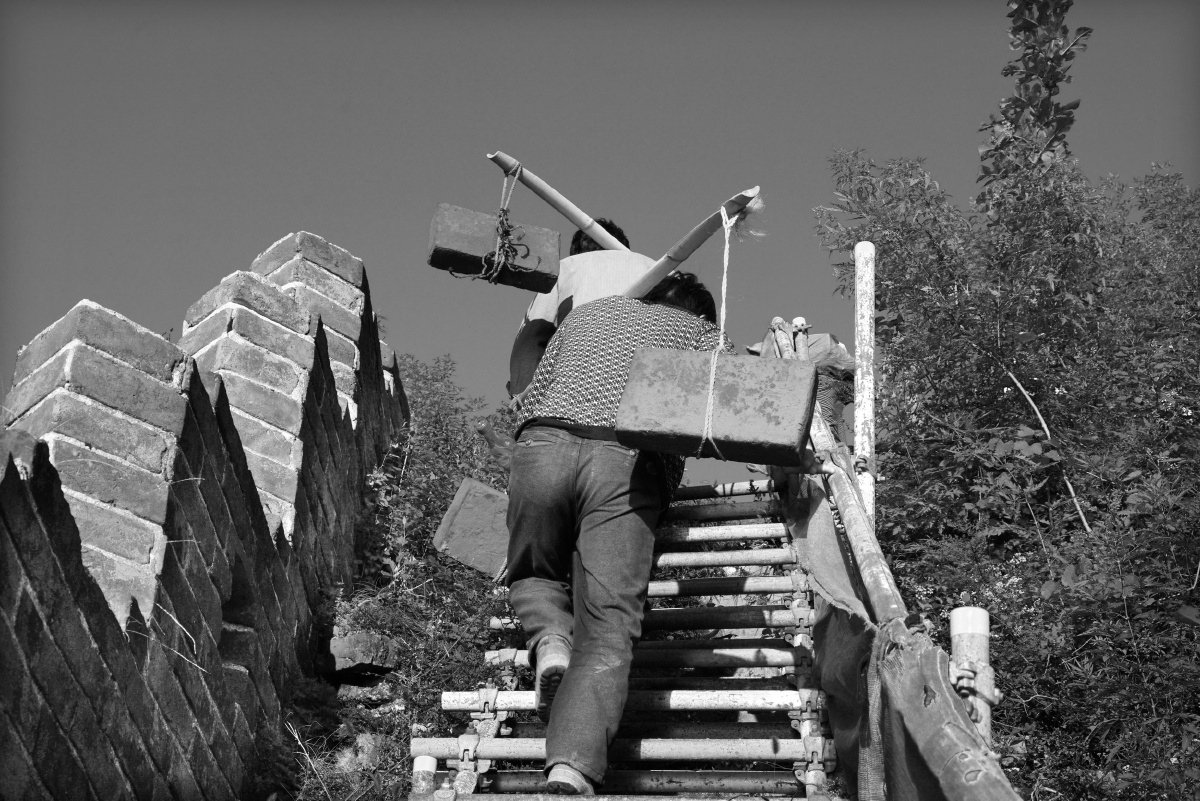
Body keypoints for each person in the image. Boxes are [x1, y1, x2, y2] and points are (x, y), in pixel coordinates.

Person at [504, 272, 732, 794]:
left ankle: (551, 640)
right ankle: (570, 768)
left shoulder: (589, 314)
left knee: (533, 570)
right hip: (624, 465)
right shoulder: (700, 336)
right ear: (700, 314)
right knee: (607, 626)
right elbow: (727, 410)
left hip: (542, 445)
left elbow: (534, 387)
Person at [508, 218, 652, 401]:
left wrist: (521, 395)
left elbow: (531, 338)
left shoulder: (567, 267)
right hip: (648, 385)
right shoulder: (657, 269)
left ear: (577, 251)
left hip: (577, 389)